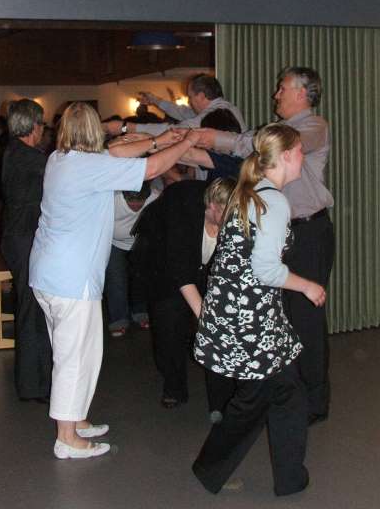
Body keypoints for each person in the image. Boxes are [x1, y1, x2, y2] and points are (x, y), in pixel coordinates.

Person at [29, 102, 201, 460]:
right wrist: (186, 143)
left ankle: (76, 421)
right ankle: (67, 439)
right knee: (74, 358)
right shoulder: (89, 167)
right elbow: (151, 169)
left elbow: (116, 151)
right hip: (71, 279)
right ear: (94, 130)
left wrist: (160, 140)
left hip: (51, 274)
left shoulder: (60, 158)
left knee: (82, 353)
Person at [195, 66, 334, 424]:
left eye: (282, 88)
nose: (276, 95)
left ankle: (314, 402)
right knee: (279, 316)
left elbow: (267, 143)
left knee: (305, 318)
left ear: (302, 93)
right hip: (282, 233)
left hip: (308, 233)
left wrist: (217, 138)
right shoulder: (277, 135)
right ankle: (284, 395)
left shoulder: (314, 126)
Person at [192, 123, 326, 496]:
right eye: (300, 151)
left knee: (286, 393)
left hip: (245, 313)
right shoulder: (272, 202)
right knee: (257, 399)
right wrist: (308, 286)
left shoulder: (251, 192)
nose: (303, 157)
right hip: (249, 319)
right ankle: (213, 468)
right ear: (286, 156)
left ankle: (288, 477)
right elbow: (266, 270)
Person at [132, 177, 236, 411]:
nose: (232, 220)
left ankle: (221, 396)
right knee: (169, 321)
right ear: (212, 206)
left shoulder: (233, 217)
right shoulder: (183, 211)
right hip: (163, 265)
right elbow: (180, 271)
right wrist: (206, 318)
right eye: (227, 213)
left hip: (202, 267)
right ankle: (174, 386)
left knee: (218, 318)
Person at [0, 99, 52, 403]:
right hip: (24, 239)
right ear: (34, 125)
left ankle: (34, 382)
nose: (43, 129)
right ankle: (34, 385)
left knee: (31, 308)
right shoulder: (30, 157)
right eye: (42, 123)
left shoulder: (15, 152)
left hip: (18, 237)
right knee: (33, 311)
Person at [102, 74, 247, 137]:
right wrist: (155, 100)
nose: (189, 102)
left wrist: (127, 127)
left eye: (190, 97)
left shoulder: (217, 113)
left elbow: (173, 130)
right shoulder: (223, 108)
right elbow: (183, 112)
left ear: (202, 96)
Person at [104, 183, 161, 337]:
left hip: (141, 242)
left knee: (141, 278)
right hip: (113, 242)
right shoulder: (112, 199)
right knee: (116, 280)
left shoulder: (155, 197)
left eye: (140, 201)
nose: (136, 205)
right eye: (131, 201)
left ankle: (140, 312)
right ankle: (118, 320)